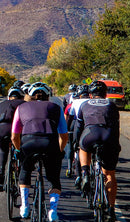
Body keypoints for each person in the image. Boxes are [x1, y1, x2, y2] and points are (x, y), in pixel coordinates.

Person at [11, 82, 68, 221]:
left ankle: (24, 207)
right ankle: (52, 212)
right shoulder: (56, 107)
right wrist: (59, 152)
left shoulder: (21, 107)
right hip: (49, 143)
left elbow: (14, 136)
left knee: (25, 171)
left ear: (30, 96)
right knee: (53, 178)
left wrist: (19, 150)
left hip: (28, 143)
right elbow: (64, 135)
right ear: (48, 96)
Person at [78, 81, 121, 221]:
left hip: (90, 134)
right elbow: (116, 128)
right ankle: (111, 208)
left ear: (90, 95)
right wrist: (116, 146)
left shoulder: (85, 104)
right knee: (109, 174)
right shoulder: (111, 105)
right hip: (109, 137)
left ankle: (84, 172)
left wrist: (75, 144)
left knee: (83, 148)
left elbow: (78, 127)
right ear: (105, 94)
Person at [0, 87, 27, 192]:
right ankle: (22, 174)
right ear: (21, 96)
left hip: (2, 130)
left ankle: (1, 175)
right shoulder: (24, 104)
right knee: (22, 150)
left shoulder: (2, 104)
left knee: (3, 151)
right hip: (17, 130)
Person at [67, 84, 90, 187]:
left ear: (79, 95)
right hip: (91, 128)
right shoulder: (91, 102)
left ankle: (79, 176)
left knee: (77, 149)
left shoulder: (75, 102)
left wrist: (66, 130)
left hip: (78, 128)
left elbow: (71, 118)